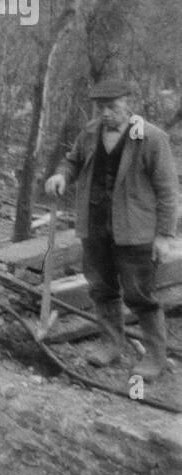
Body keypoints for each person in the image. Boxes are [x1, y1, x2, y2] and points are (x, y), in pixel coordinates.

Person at [44, 77, 178, 381]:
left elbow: (168, 190)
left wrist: (165, 235)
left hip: (135, 233)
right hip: (94, 227)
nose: (106, 113)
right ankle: (110, 344)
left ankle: (155, 357)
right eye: (101, 108)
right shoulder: (90, 133)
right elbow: (73, 161)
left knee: (140, 295)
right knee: (101, 289)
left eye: (112, 107)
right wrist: (61, 176)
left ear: (127, 105)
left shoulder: (151, 138)